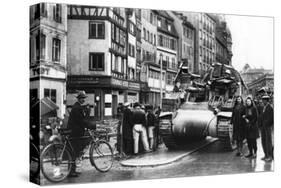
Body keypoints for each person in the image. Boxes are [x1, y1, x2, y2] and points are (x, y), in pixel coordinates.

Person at [67, 91, 91, 177]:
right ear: (79, 99)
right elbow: (81, 120)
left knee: (75, 151)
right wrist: (90, 125)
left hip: (76, 131)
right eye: (82, 98)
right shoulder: (77, 108)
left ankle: (73, 170)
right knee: (75, 151)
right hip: (76, 132)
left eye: (84, 98)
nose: (84, 100)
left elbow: (82, 119)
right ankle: (71, 171)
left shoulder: (77, 106)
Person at [260, 95, 274, 162]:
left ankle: (270, 156)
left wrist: (266, 124)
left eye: (264, 100)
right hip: (263, 127)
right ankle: (266, 155)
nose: (263, 101)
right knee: (263, 141)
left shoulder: (270, 108)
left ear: (267, 100)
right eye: (262, 100)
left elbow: (271, 118)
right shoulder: (264, 107)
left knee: (268, 141)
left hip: (267, 127)